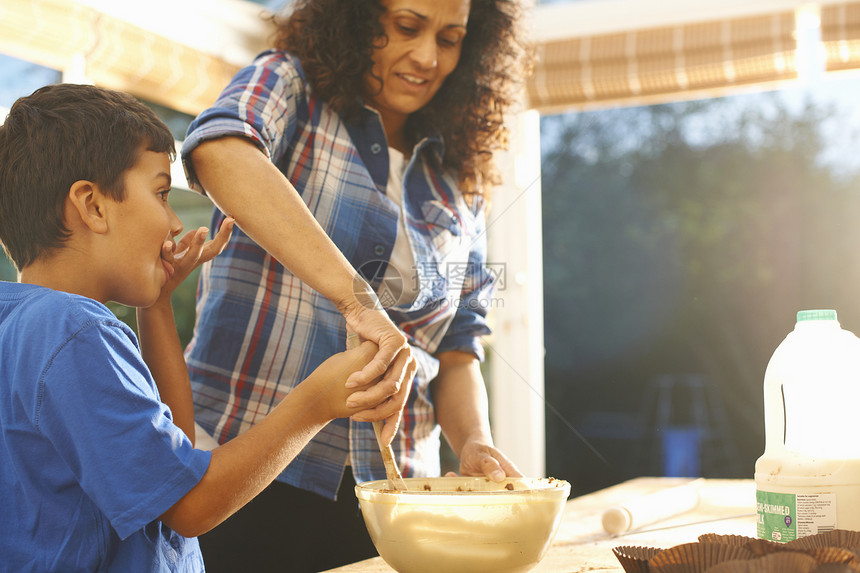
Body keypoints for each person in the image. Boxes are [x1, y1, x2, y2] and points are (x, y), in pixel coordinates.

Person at [181, 0, 530, 570]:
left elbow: (458, 348)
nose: (427, 57)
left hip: (390, 500)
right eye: (407, 27)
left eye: (450, 38)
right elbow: (220, 148)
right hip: (240, 468)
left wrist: (473, 441)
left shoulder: (458, 184)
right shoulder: (290, 83)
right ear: (357, 18)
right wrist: (355, 298)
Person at [0, 83, 389, 572]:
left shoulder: (22, 325)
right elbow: (190, 505)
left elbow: (168, 463)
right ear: (93, 205)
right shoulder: (74, 329)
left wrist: (158, 306)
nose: (173, 222)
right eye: (161, 193)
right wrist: (316, 404)